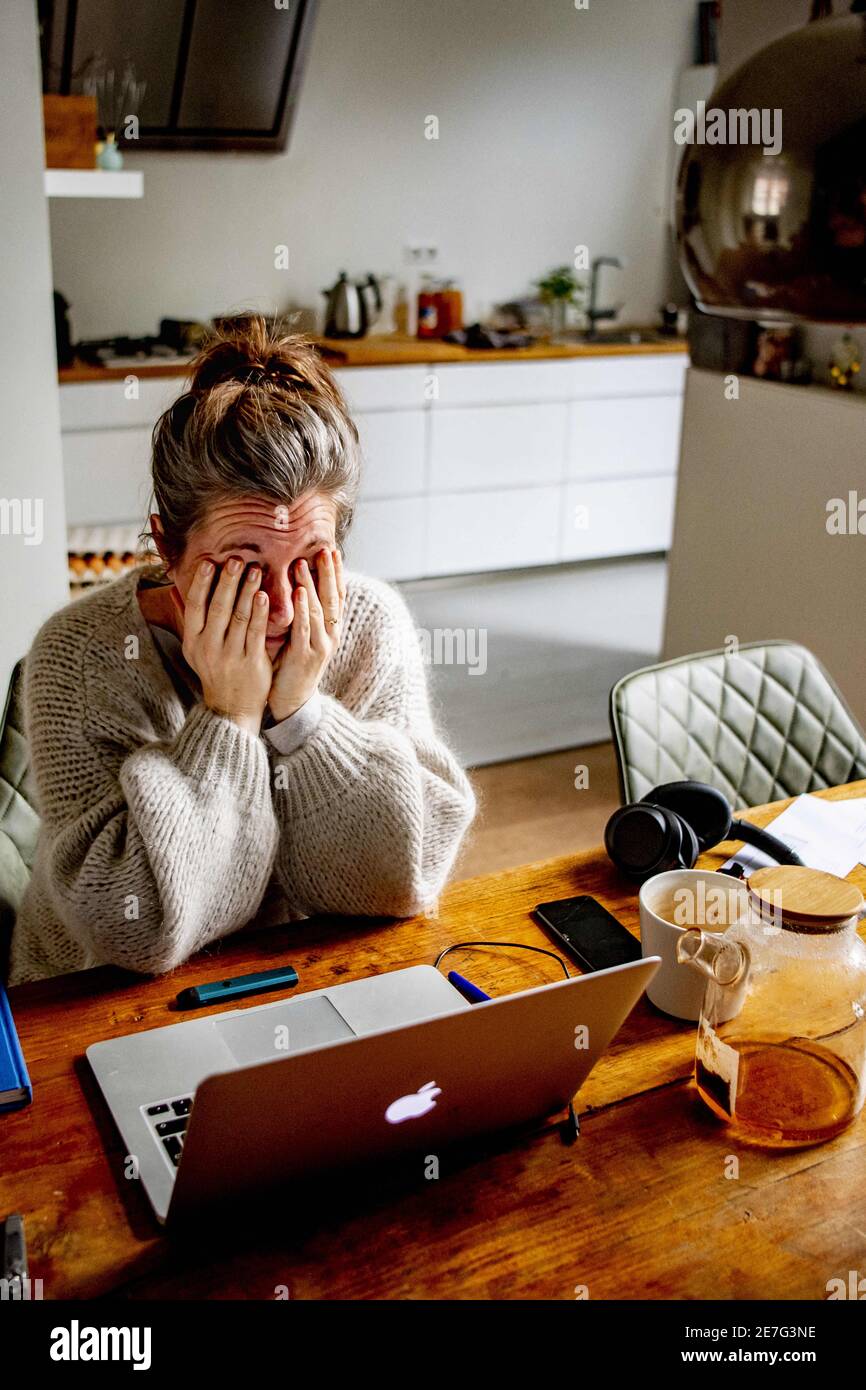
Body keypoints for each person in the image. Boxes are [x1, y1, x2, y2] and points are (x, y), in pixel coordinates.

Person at [10, 316, 476, 984]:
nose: (285, 607)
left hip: (299, 980)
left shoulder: (369, 623)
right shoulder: (76, 656)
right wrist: (228, 717)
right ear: (168, 549)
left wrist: (301, 717)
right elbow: (133, 930)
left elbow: (404, 880)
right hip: (86, 1004)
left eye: (312, 561)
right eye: (244, 567)